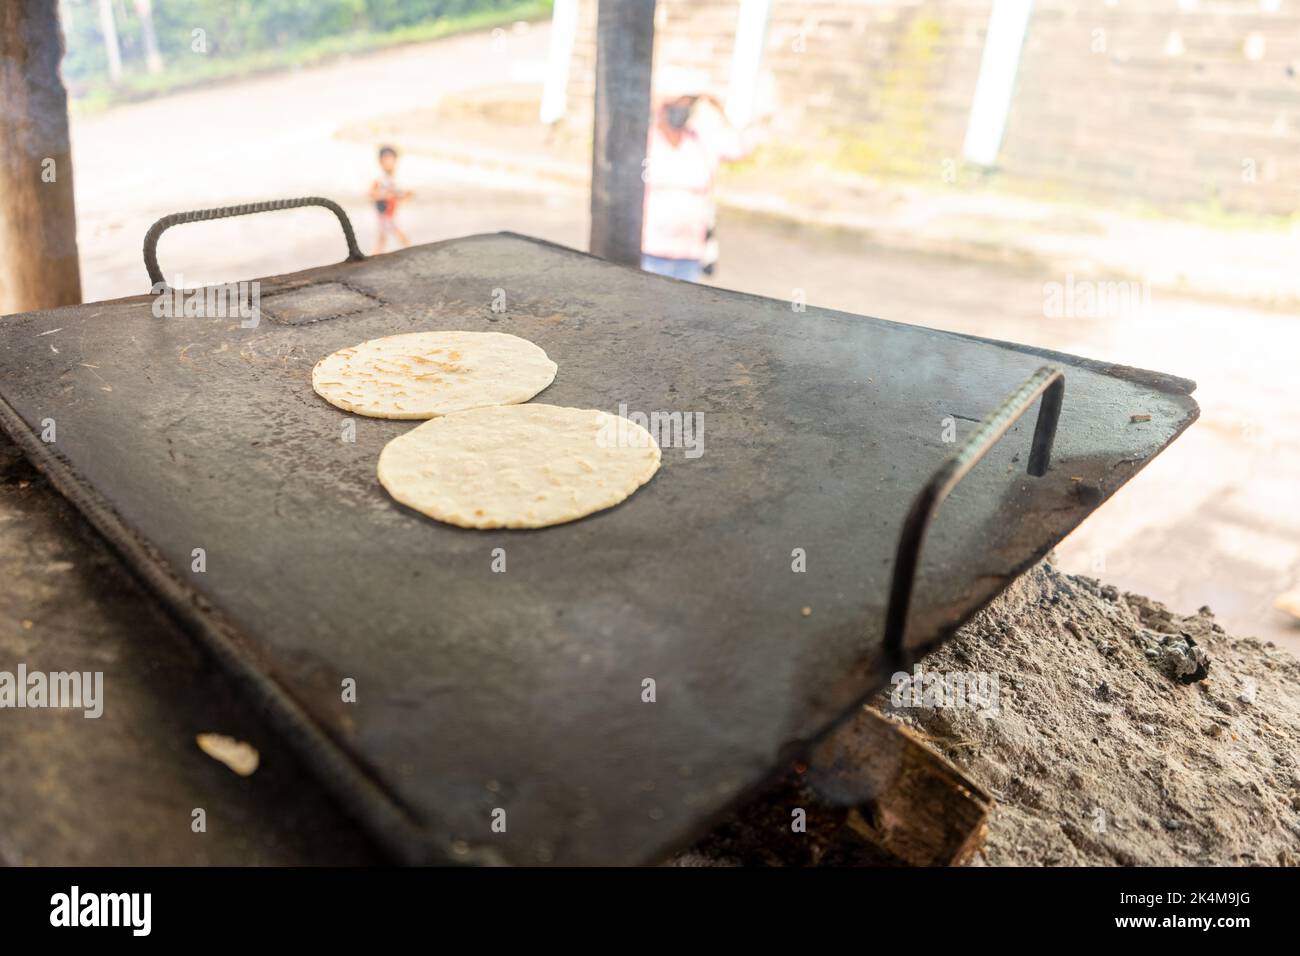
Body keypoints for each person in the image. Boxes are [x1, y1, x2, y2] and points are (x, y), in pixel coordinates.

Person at [641, 92, 745, 281]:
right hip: (649, 249)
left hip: (688, 253)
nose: (681, 110)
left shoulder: (701, 141)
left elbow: (737, 150)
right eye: (676, 104)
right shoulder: (647, 142)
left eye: (687, 105)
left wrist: (718, 109)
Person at [369, 145, 413, 254]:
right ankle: (411, 252)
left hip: (390, 213)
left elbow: (399, 194)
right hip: (385, 214)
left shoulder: (392, 178)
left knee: (385, 237)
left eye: (392, 159)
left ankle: (410, 251)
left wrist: (403, 195)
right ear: (380, 161)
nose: (389, 163)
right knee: (388, 237)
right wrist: (386, 195)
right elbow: (372, 193)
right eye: (386, 160)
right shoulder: (380, 179)